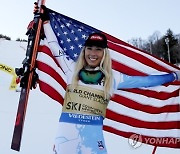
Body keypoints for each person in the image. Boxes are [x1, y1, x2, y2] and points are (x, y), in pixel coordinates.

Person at [34, 4, 180, 154]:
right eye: (89, 48)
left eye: (98, 49)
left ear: (104, 53)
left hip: (92, 140)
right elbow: (54, 46)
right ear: (84, 51)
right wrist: (45, 22)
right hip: (65, 137)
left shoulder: (113, 78)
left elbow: (145, 82)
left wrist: (173, 76)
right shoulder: (71, 69)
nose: (93, 53)